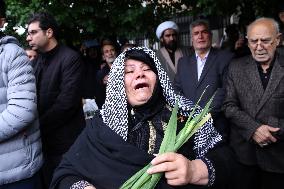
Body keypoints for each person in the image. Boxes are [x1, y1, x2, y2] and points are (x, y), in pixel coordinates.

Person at [50, 47, 236, 189]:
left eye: (147, 68)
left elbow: (226, 162)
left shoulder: (188, 117)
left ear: (159, 78)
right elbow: (66, 173)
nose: (139, 73)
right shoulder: (102, 124)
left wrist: (195, 171)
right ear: (118, 83)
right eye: (129, 71)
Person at [222, 17, 284, 189]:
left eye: (265, 40)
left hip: (279, 159)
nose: (259, 46)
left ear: (277, 40)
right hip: (244, 157)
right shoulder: (236, 67)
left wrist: (271, 128)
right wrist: (254, 129)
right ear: (247, 43)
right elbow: (228, 106)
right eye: (253, 41)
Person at [26, 12, 85, 188]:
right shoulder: (35, 62)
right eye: (28, 33)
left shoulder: (70, 58)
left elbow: (66, 105)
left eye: (33, 32)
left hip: (66, 146)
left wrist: (35, 126)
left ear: (49, 32)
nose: (29, 38)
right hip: (41, 145)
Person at [0, 0, 43, 188]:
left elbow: (22, 111)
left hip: (17, 173)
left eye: (34, 32)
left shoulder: (12, 54)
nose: (29, 37)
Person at [174, 19, 233, 142]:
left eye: (204, 32)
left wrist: (204, 116)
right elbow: (177, 89)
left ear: (210, 35)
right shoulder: (183, 62)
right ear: (191, 38)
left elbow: (225, 89)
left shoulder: (225, 58)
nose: (200, 36)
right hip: (188, 125)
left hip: (215, 124)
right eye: (196, 33)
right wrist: (189, 113)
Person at [95, 40, 118, 108]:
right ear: (103, 57)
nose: (110, 53)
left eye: (112, 50)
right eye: (106, 51)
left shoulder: (125, 68)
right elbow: (99, 96)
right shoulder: (100, 74)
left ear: (116, 53)